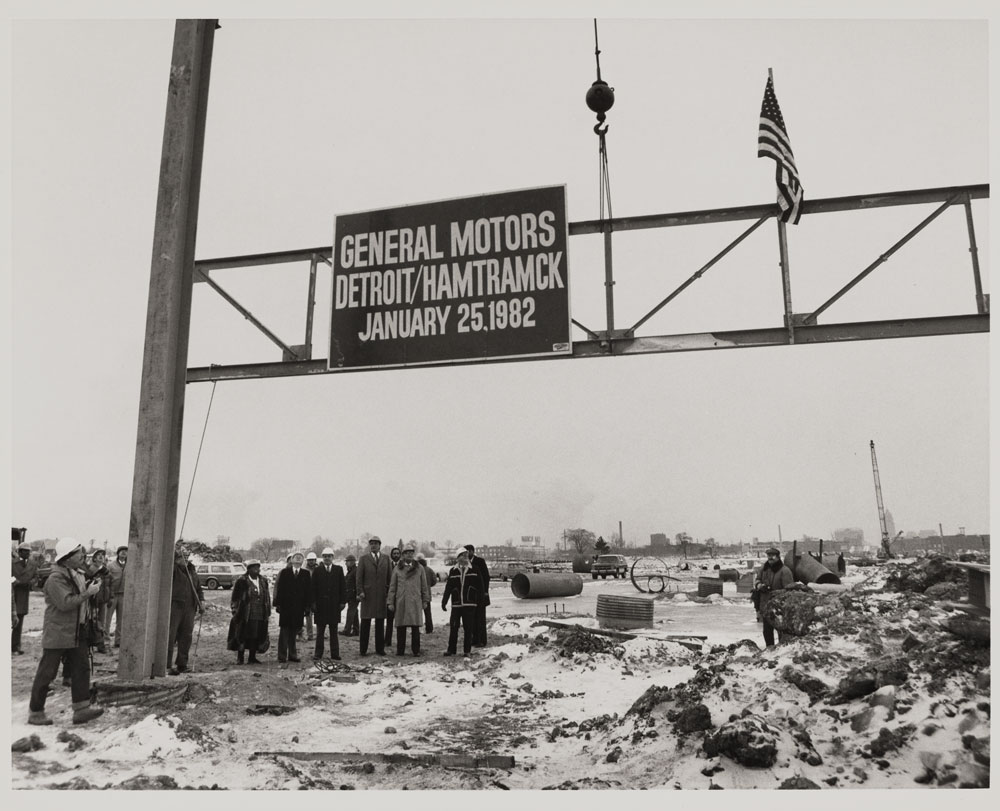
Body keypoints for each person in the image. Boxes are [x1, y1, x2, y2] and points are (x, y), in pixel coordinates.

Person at [27, 538, 104, 725]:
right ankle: (35, 712)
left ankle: (81, 709)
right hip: (59, 631)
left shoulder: (73, 574)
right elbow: (65, 603)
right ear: (67, 558)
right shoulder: (56, 578)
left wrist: (88, 588)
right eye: (79, 554)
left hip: (76, 631)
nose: (83, 557)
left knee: (81, 669)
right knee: (48, 672)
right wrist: (88, 593)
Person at [167, 543, 204, 675]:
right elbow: (168, 561)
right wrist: (175, 549)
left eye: (188, 557)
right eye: (183, 557)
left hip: (190, 608)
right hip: (175, 606)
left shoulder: (192, 570)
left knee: (186, 636)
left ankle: (182, 664)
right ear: (177, 559)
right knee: (170, 636)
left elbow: (198, 588)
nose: (186, 559)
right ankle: (166, 665)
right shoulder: (174, 570)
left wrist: (202, 602)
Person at [387, 542, 430, 656]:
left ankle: (416, 651)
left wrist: (425, 600)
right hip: (401, 601)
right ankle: (400, 651)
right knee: (401, 627)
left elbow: (424, 586)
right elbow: (392, 586)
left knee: (415, 628)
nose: (409, 555)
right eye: (407, 553)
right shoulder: (397, 569)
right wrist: (390, 602)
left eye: (411, 553)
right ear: (403, 555)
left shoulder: (419, 568)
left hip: (415, 601)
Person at [228, 559, 271, 664]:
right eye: (254, 568)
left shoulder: (263, 581)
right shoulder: (241, 581)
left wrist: (268, 610)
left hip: (260, 613)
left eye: (258, 567)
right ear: (249, 569)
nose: (257, 570)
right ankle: (240, 657)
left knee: (256, 635)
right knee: (242, 635)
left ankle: (252, 657)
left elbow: (267, 597)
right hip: (245, 613)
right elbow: (235, 598)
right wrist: (235, 610)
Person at [441, 548, 480, 657]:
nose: (465, 557)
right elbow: (448, 587)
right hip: (456, 604)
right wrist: (444, 601)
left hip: (470, 604)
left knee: (468, 628)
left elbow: (480, 587)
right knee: (454, 627)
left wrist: (480, 602)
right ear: (458, 558)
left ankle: (467, 651)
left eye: (466, 555)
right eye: (462, 555)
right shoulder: (453, 571)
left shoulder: (475, 569)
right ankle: (451, 649)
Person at [356, 536, 391, 656]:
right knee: (365, 623)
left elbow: (389, 578)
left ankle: (380, 649)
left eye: (376, 543)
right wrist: (360, 591)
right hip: (367, 596)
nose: (373, 546)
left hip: (381, 595)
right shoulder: (363, 559)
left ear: (380, 545)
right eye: (371, 544)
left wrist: (388, 593)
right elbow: (359, 577)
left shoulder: (386, 559)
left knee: (380, 623)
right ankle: (363, 649)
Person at [274, 552, 311, 663]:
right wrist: (278, 604)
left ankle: (292, 655)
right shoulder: (284, 573)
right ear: (291, 560)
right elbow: (279, 589)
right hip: (286, 607)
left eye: (300, 559)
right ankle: (282, 656)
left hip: (298, 608)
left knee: (294, 632)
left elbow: (308, 592)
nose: (297, 561)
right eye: (295, 558)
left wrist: (307, 607)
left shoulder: (306, 574)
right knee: (284, 631)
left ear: (302, 561)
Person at [753, 547, 794, 648]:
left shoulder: (785, 571)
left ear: (778, 557)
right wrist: (759, 585)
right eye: (769, 555)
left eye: (773, 555)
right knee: (767, 631)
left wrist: (775, 592)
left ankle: (781, 649)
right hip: (766, 606)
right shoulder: (763, 568)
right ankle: (769, 649)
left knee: (781, 631)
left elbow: (790, 589)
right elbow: (757, 579)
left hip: (779, 607)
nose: (770, 558)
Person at [310, 547, 345, 661]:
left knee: (334, 631)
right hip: (321, 606)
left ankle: (335, 654)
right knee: (320, 632)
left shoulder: (338, 570)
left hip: (334, 606)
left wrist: (342, 602)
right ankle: (318, 654)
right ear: (322, 558)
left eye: (329, 556)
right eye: (325, 556)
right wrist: (313, 603)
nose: (327, 558)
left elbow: (342, 587)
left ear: (332, 557)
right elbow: (313, 588)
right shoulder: (317, 571)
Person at [12, 541, 38, 655]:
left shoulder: (32, 564)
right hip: (12, 593)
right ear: (19, 552)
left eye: (29, 551)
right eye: (25, 551)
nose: (27, 553)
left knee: (19, 620)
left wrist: (31, 583)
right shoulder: (11, 563)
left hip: (23, 595)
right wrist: (14, 581)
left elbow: (36, 577)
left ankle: (15, 646)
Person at [85, 549, 112, 654]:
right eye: (98, 555)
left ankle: (101, 644)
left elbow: (110, 584)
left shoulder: (106, 570)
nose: (101, 557)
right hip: (94, 600)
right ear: (94, 558)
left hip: (103, 599)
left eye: (102, 555)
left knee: (102, 622)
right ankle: (92, 644)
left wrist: (110, 596)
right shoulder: (91, 569)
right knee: (93, 622)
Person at [464, 544, 491, 647]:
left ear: (472, 551)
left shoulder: (480, 561)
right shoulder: (465, 563)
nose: (465, 554)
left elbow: (486, 577)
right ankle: (474, 639)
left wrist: (485, 592)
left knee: (480, 618)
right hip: (470, 596)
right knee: (472, 618)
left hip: (480, 595)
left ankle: (482, 640)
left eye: (467, 552)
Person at [104, 545, 127, 648]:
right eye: (122, 551)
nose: (124, 553)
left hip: (123, 594)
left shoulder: (130, 565)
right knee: (107, 618)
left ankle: (118, 640)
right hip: (112, 595)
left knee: (121, 619)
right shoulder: (111, 565)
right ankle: (105, 640)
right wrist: (109, 594)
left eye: (126, 552)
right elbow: (107, 580)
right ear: (118, 553)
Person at [300, 551, 318, 642]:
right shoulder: (304, 570)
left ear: (315, 560)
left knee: (319, 615)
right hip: (308, 595)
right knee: (308, 615)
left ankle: (320, 633)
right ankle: (310, 634)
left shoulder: (319, 569)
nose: (311, 562)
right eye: (310, 560)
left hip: (317, 595)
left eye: (313, 560)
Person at [341, 554, 359, 636]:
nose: (346, 563)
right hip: (351, 594)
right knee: (354, 612)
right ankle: (356, 630)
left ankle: (347, 630)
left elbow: (358, 583)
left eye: (347, 561)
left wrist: (357, 593)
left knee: (351, 612)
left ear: (352, 562)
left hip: (354, 595)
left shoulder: (355, 571)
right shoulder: (351, 571)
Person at [417, 555, 435, 633]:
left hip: (417, 594)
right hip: (427, 594)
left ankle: (417, 629)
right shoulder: (429, 570)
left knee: (417, 612)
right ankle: (429, 628)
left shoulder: (417, 569)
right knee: (428, 613)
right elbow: (434, 580)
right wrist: (429, 585)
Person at [385, 545, 402, 629]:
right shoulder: (387, 566)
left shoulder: (403, 566)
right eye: (394, 553)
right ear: (391, 555)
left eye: (398, 553)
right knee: (389, 620)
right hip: (390, 596)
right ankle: (387, 641)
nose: (396, 555)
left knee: (400, 621)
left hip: (401, 596)